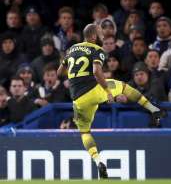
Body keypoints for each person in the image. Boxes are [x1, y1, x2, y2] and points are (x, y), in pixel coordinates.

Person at [56, 24, 165, 179]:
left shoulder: (72, 49)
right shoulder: (97, 49)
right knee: (123, 86)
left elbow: (60, 72)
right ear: (93, 36)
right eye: (100, 34)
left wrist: (73, 75)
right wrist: (107, 91)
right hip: (93, 89)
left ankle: (98, 161)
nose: (103, 36)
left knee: (85, 132)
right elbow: (96, 71)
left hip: (78, 99)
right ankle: (154, 109)